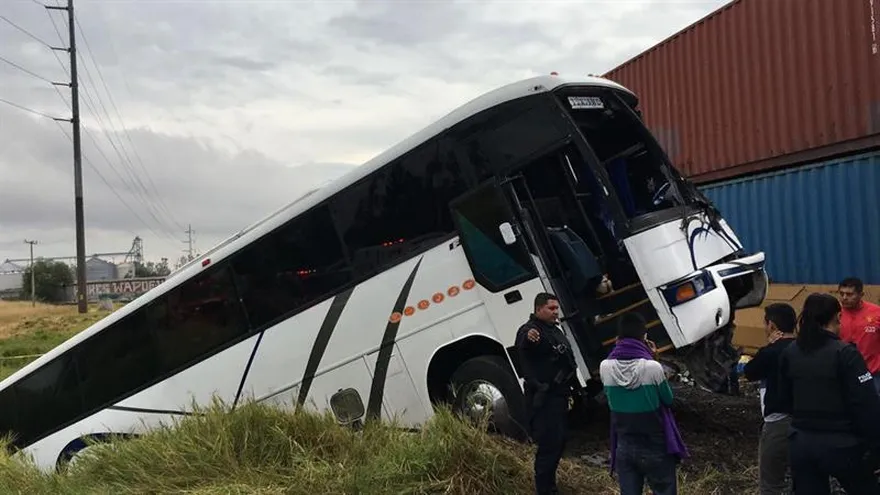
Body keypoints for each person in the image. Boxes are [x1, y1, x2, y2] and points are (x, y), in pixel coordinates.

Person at [778, 292, 880, 494]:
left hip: (802, 442)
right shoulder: (845, 353)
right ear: (838, 317)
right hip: (842, 444)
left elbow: (783, 398)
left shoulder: (791, 352)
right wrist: (875, 447)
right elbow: (866, 404)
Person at [599, 312, 688, 495]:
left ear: (618, 339)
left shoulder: (604, 367)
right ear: (644, 338)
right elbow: (668, 399)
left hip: (623, 443)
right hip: (654, 443)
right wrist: (654, 358)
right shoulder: (652, 367)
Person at [515, 292, 579, 495]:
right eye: (551, 308)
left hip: (559, 396)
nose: (555, 312)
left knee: (559, 442)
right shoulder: (532, 330)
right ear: (538, 309)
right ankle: (545, 490)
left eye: (556, 308)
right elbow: (525, 341)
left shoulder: (553, 329)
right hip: (544, 399)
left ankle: (550, 486)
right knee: (549, 446)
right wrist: (529, 337)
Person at [742, 303, 797, 495]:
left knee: (771, 483)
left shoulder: (771, 352)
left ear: (772, 326)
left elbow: (749, 372)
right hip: (807, 422)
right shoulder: (804, 348)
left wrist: (768, 346)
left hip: (778, 422)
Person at [838, 277, 880, 394]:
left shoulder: (877, 313)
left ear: (861, 294)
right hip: (845, 374)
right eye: (841, 294)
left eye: (849, 294)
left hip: (874, 374)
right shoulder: (835, 314)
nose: (844, 298)